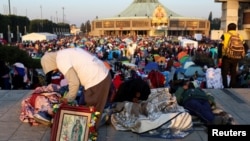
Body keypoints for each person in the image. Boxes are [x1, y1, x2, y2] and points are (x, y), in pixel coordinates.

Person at [40, 48, 112, 128]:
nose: (55, 71)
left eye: (52, 70)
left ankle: (88, 134)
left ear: (50, 64)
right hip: (101, 75)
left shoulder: (61, 60)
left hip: (97, 80)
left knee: (90, 114)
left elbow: (74, 83)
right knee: (87, 109)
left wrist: (67, 100)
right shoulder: (65, 52)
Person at [218, 23, 249, 88]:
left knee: (224, 72)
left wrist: (220, 57)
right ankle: (232, 86)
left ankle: (226, 86)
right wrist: (243, 54)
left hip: (227, 56)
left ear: (228, 28)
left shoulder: (224, 35)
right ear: (235, 29)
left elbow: (220, 46)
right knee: (233, 71)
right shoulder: (239, 36)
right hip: (236, 57)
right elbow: (246, 46)